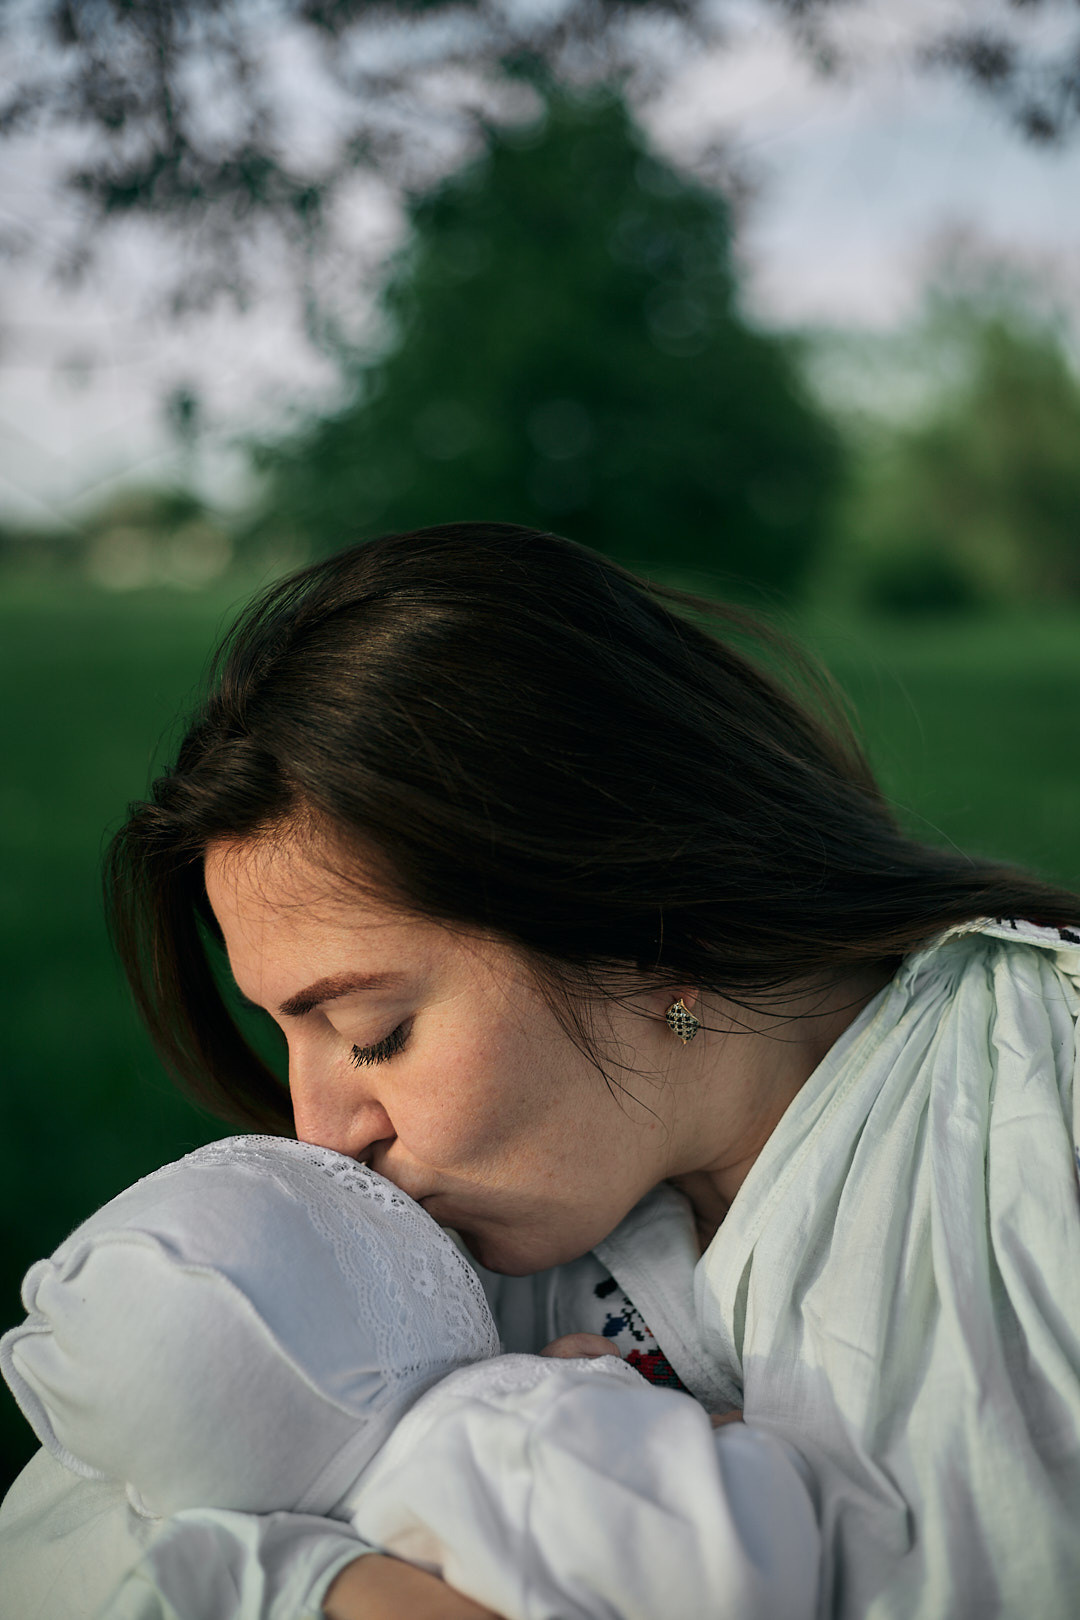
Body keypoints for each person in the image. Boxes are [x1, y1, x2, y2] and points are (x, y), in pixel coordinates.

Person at [2, 521, 1080, 1619]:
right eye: (290, 1036)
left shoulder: (1035, 1116)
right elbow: (70, 1526)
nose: (322, 1132)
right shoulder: (414, 1263)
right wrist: (334, 1590)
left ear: (644, 916)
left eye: (374, 1030)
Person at [1, 1134, 818, 1620]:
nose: (329, 1137)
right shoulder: (516, 1423)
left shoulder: (329, 1522)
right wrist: (708, 1431)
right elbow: (733, 1564)